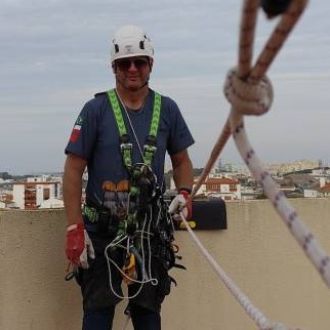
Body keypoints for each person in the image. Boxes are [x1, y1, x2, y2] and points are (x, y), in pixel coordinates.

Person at [63, 24, 194, 330]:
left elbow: (182, 161)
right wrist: (74, 228)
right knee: (97, 314)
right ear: (114, 68)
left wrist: (185, 192)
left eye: (140, 62)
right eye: (125, 63)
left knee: (148, 316)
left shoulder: (168, 110)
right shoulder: (96, 110)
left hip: (148, 233)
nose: (132, 69)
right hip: (100, 232)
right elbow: (72, 169)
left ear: (151, 65)